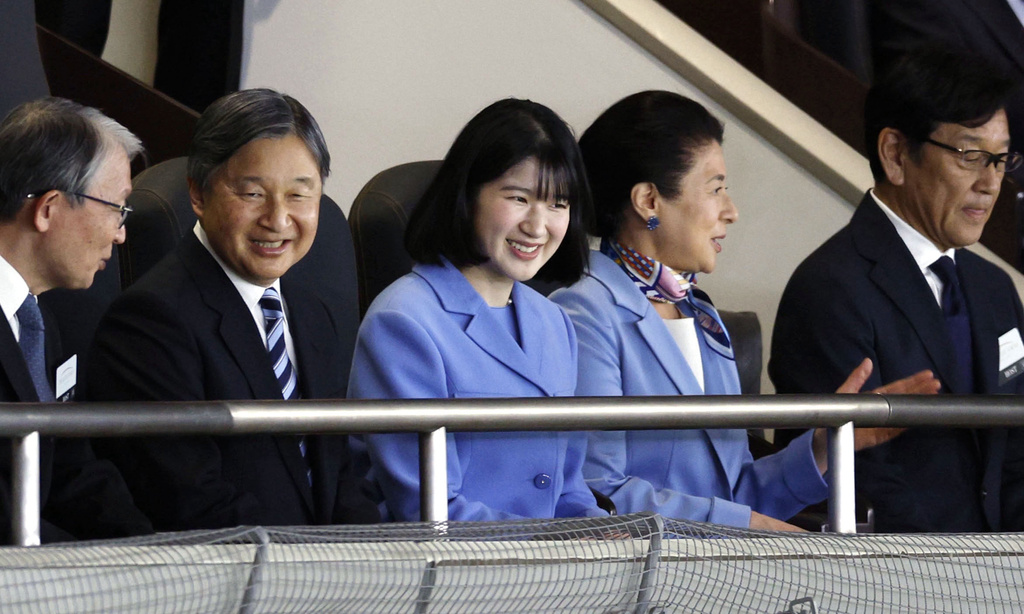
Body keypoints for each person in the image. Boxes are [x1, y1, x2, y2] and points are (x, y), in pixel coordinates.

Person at [550, 90, 939, 531]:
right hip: (640, 580)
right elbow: (599, 491)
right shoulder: (584, 312)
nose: (731, 212)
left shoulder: (702, 316)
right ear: (649, 202)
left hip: (721, 573)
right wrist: (751, 527)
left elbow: (734, 493)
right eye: (715, 189)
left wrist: (826, 445)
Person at [87, 88, 379, 530]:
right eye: (253, 194)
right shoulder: (150, 321)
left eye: (300, 195)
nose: (278, 220)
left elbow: (338, 476)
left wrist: (374, 564)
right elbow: (188, 500)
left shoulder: (314, 312)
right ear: (199, 195)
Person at [770, 46, 1024, 532]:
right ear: (895, 154)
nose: (991, 183)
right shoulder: (828, 289)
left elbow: (1015, 458)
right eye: (971, 156)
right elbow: (856, 478)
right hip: (899, 577)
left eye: (1000, 159)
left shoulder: (994, 288)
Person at [348, 98, 607, 522]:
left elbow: (568, 489)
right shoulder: (403, 320)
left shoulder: (555, 322)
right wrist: (557, 549)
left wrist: (601, 534)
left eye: (559, 204)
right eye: (519, 198)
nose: (538, 226)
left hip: (552, 572)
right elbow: (427, 510)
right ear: (468, 194)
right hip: (447, 576)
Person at [0, 97, 152, 543]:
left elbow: (70, 468)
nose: (121, 232)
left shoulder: (38, 320)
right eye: (116, 208)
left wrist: (149, 552)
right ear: (48, 208)